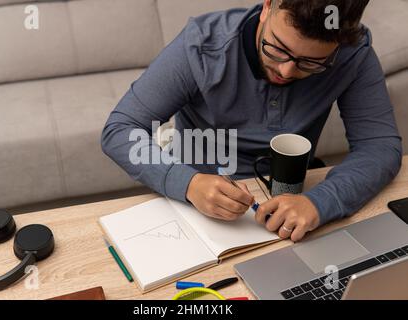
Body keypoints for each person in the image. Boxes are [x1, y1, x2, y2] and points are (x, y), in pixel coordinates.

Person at [101, 0, 402, 242]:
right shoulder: (202, 45)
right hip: (201, 205)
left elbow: (379, 146)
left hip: (296, 204)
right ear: (268, 7)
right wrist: (188, 183)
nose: (285, 71)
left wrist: (320, 201)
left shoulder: (352, 53)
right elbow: (120, 130)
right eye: (278, 49)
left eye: (311, 63)